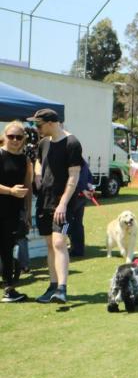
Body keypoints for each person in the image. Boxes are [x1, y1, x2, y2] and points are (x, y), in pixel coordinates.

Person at [28, 108, 82, 304]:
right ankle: (52, 286)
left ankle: (62, 288)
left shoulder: (72, 143)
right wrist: (37, 174)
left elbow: (74, 176)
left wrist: (63, 204)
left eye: (39, 125)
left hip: (63, 205)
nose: (37, 129)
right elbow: (38, 160)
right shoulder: (43, 143)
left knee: (59, 243)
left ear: (51, 123)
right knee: (50, 245)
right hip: (44, 202)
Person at [1, 121, 33, 302]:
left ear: (23, 139)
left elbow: (28, 186)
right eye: (11, 136)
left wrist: (27, 212)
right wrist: (10, 191)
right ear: (5, 136)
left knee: (7, 250)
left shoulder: (25, 160)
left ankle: (9, 290)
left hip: (13, 213)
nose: (14, 140)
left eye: (18, 137)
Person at [66, 159, 96, 257]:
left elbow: (74, 180)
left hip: (74, 197)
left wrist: (83, 190)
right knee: (78, 224)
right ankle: (78, 249)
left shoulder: (73, 162)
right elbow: (89, 178)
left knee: (67, 223)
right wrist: (90, 189)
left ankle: (68, 247)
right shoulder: (84, 162)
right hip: (81, 197)